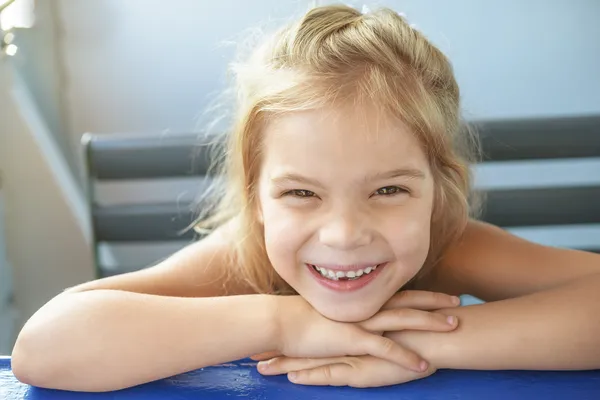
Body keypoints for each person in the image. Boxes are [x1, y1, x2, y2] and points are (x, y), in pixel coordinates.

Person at [11, 4, 600, 392]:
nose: (344, 233)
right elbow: (46, 346)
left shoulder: (447, 244)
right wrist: (283, 321)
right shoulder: (246, 258)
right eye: (301, 193)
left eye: (389, 189)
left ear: (438, 192)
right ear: (256, 198)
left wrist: (404, 343)